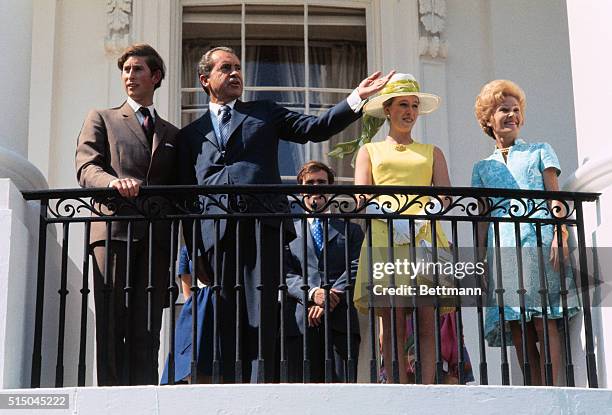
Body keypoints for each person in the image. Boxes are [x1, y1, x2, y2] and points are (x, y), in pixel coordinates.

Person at [177, 46, 393, 383]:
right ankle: (224, 388)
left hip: (263, 228)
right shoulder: (191, 134)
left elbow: (315, 128)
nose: (236, 73)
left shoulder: (264, 112)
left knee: (260, 315)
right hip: (216, 236)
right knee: (223, 317)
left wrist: (355, 99)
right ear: (205, 80)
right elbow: (187, 199)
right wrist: (195, 252)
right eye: (226, 68)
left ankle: (256, 387)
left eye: (238, 67)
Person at [75, 44, 179, 385]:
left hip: (157, 242)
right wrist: (113, 182)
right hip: (114, 233)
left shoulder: (173, 134)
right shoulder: (102, 118)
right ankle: (110, 397)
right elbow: (86, 167)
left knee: (148, 328)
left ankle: (145, 394)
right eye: (126, 70)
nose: (129, 76)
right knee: (111, 323)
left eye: (137, 69)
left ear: (156, 76)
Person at [471, 79, 579, 385]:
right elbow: (481, 219)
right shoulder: (481, 167)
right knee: (517, 324)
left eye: (516, 110)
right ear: (488, 119)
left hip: (539, 238)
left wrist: (561, 234)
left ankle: (553, 391)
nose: (511, 115)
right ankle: (533, 391)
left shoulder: (541, 150)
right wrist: (480, 262)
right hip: (502, 245)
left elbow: (555, 198)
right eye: (503, 109)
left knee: (545, 318)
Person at [349, 73, 454, 384]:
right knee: (391, 323)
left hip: (424, 237)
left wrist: (424, 216)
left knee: (425, 320)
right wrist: (390, 216)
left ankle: (426, 389)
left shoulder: (431, 151)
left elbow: (446, 194)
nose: (409, 112)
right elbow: (361, 196)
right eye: (403, 105)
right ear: (388, 110)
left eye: (414, 106)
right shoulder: (369, 151)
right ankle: (398, 389)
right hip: (385, 235)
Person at [284, 161, 364, 382]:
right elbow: (284, 272)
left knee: (342, 393)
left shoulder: (352, 230)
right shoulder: (288, 231)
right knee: (301, 395)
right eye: (310, 183)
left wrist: (330, 295)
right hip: (301, 322)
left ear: (330, 188)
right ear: (301, 190)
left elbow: (357, 265)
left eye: (321, 182)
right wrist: (312, 294)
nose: (316, 188)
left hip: (341, 323)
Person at [161, 246, 214, 384]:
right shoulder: (187, 249)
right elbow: (187, 294)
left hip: (218, 302)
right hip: (199, 306)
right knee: (193, 360)